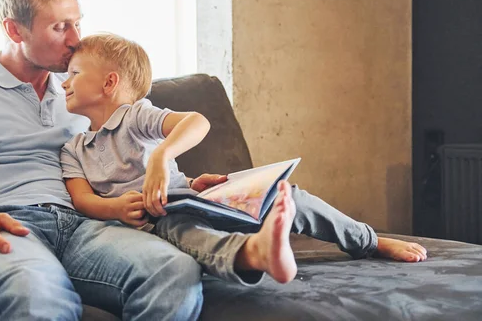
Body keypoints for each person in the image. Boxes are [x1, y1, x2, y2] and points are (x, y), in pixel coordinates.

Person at [0, 0, 216, 321]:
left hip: (85, 225)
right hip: (5, 224)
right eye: (59, 27)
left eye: (77, 22)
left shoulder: (82, 91)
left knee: (173, 272)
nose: (75, 39)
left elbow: (121, 155)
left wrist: (186, 185)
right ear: (15, 30)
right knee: (38, 295)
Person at [59, 32, 428, 279]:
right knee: (184, 230)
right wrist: (118, 209)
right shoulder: (74, 149)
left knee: (286, 195)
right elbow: (81, 200)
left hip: (193, 198)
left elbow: (196, 122)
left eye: (74, 73)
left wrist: (163, 160)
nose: (64, 82)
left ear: (109, 83)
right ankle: (255, 253)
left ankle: (368, 240)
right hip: (160, 219)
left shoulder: (137, 116)